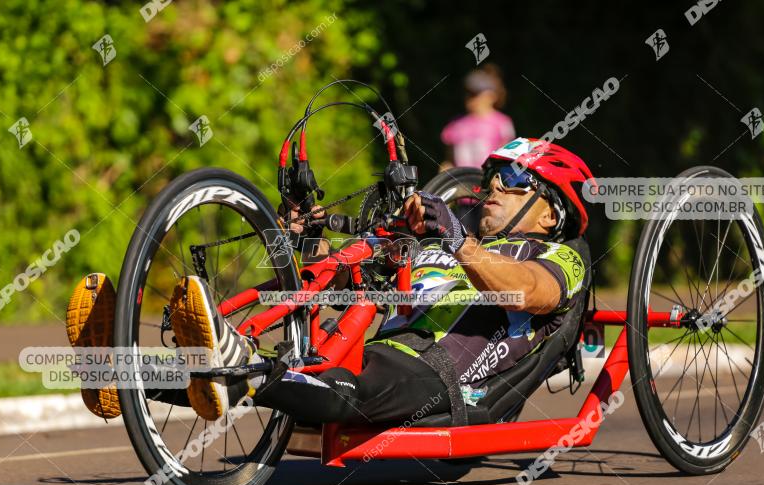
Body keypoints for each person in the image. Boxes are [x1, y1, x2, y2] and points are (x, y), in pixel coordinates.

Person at [164, 138, 593, 425]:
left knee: (346, 392)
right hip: (379, 351)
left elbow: (533, 292)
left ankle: (244, 367)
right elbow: (341, 281)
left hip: (439, 376)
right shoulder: (440, 245)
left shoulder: (560, 256)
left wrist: (460, 241)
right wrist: (306, 237)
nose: (496, 184)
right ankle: (124, 376)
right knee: (319, 366)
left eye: (517, 179)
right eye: (492, 176)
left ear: (550, 214)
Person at [440, 65, 516, 169]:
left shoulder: (502, 123)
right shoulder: (455, 124)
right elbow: (449, 160)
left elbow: (507, 158)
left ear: (491, 96)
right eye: (468, 92)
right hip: (461, 181)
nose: (470, 98)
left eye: (476, 93)